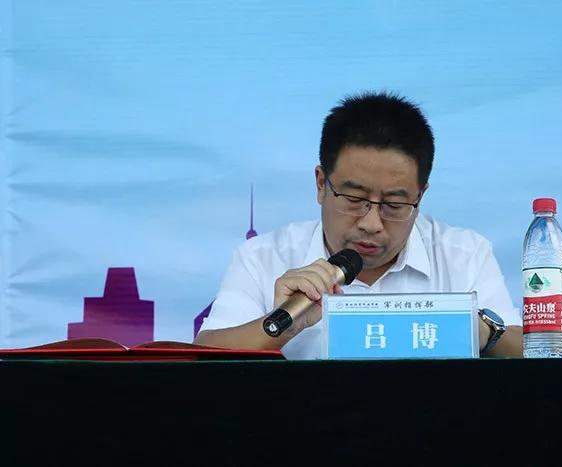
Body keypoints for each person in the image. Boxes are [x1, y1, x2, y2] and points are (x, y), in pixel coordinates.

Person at [195, 91, 523, 358]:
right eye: (354, 199)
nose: (371, 223)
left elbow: (533, 354)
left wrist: (477, 330)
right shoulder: (262, 257)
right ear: (321, 184)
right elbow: (202, 359)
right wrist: (286, 324)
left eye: (394, 204)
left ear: (420, 197)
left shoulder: (465, 255)